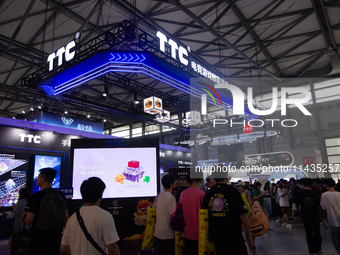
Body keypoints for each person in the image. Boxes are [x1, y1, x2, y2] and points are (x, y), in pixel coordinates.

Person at [60, 177, 120, 255]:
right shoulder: (105, 216)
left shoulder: (72, 219)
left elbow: (63, 248)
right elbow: (112, 248)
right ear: (101, 195)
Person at [201, 175, 254, 255]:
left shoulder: (209, 193)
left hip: (216, 236)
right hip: (234, 235)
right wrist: (249, 234)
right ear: (226, 177)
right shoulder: (233, 191)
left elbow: (204, 215)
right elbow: (242, 215)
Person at [25, 168, 68, 255]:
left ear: (43, 179)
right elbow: (66, 218)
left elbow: (28, 220)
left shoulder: (36, 196)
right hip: (56, 238)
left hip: (39, 238)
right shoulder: (61, 195)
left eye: (38, 177)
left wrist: (24, 217)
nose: (37, 179)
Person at [296, 178, 322, 254]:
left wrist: (298, 212)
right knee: (317, 232)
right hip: (315, 214)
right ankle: (318, 248)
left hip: (305, 215)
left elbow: (297, 203)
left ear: (303, 184)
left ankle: (312, 251)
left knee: (309, 233)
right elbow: (318, 204)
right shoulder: (315, 193)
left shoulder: (300, 193)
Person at [180, 177, 205, 255]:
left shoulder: (183, 193)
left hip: (187, 231)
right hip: (200, 233)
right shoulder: (202, 194)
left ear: (191, 178)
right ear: (201, 179)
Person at [153, 174, 176, 255]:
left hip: (158, 232)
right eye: (174, 182)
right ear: (171, 184)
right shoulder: (171, 197)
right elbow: (172, 216)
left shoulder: (159, 195)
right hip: (168, 233)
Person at [320, 178, 340, 254]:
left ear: (326, 185)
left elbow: (323, 207)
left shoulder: (324, 195)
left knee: (336, 242)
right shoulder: (339, 194)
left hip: (333, 221)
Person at [9, 188, 30, 252]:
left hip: (19, 225)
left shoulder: (20, 202)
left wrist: (14, 207)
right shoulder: (29, 201)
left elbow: (15, 213)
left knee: (12, 243)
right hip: (28, 226)